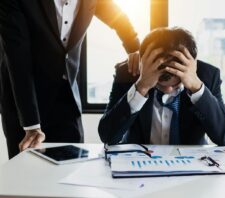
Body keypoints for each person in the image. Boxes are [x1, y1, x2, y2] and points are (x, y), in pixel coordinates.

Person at [0, 0, 140, 158]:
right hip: (24, 102)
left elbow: (118, 18)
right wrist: (31, 125)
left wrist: (136, 49)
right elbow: (19, 61)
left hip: (66, 96)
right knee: (26, 172)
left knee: (73, 167)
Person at [98, 27, 225, 146]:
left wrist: (196, 88)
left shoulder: (207, 76)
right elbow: (108, 136)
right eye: (159, 85)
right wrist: (141, 86)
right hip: (139, 165)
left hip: (191, 167)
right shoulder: (128, 73)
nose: (169, 90)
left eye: (176, 85)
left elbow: (224, 137)